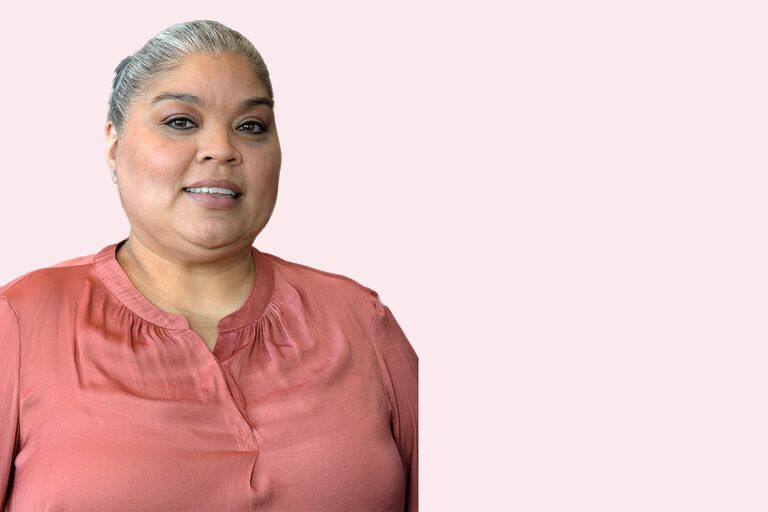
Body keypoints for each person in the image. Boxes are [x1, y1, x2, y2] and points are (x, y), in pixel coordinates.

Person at [0, 20, 417, 511]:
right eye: (181, 122)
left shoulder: (360, 321)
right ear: (114, 145)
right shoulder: (21, 324)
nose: (222, 148)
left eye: (251, 126)